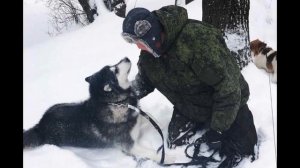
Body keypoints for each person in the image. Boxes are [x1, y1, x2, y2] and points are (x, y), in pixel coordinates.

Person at [121, 5, 257, 167]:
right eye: (134, 42)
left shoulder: (197, 41)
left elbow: (229, 89)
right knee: (176, 141)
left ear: (152, 35)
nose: (138, 47)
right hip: (189, 107)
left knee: (244, 150)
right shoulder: (149, 55)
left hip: (229, 106)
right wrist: (122, 96)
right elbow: (144, 81)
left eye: (139, 41)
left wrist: (218, 128)